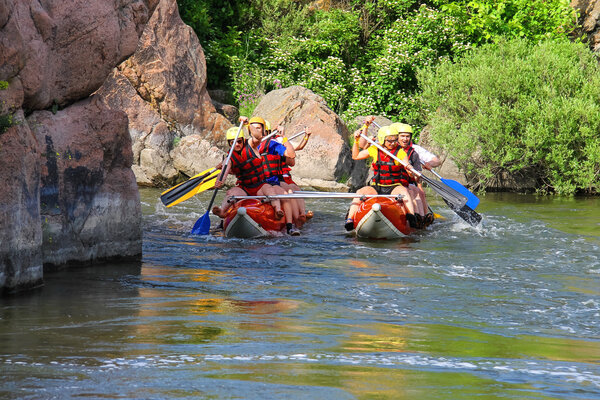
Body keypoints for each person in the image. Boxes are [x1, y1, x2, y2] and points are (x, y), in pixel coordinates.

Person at [212, 117, 301, 235]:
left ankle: (280, 212)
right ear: (229, 143)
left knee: (273, 191)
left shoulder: (255, 145)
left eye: (239, 141)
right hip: (244, 187)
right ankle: (222, 212)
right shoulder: (230, 157)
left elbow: (258, 137)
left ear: (243, 139)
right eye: (233, 142)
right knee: (231, 193)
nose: (237, 144)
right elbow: (225, 170)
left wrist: (247, 124)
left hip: (261, 185)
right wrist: (219, 181)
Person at [346, 121, 421, 230]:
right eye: (389, 141)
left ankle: (411, 216)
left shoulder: (400, 152)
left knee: (404, 192)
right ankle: (349, 220)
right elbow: (356, 156)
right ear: (382, 139)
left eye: (395, 140)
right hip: (377, 186)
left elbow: (408, 167)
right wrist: (356, 141)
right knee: (359, 193)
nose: (393, 143)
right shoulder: (375, 149)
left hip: (394, 186)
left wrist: (410, 169)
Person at [390, 122, 433, 226]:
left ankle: (420, 218)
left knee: (416, 192)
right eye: (402, 136)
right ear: (397, 137)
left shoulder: (413, 153)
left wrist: (413, 174)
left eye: (407, 136)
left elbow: (417, 177)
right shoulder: (384, 149)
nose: (405, 139)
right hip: (388, 184)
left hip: (406, 184)